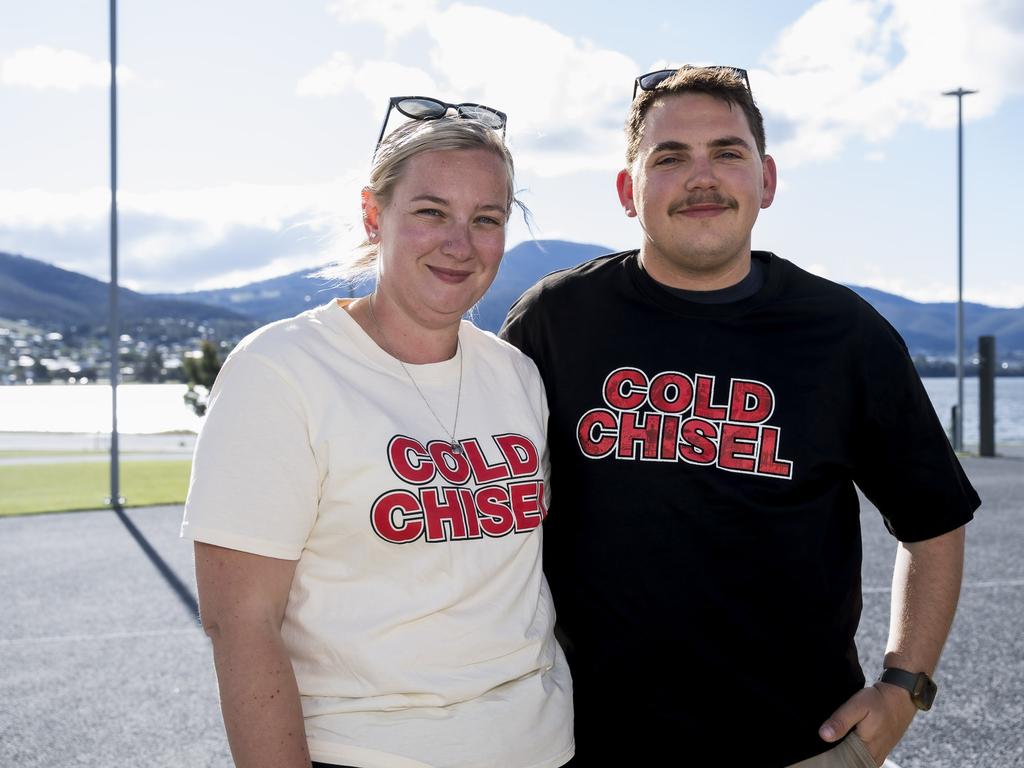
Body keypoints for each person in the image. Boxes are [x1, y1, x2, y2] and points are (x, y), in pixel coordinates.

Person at [501, 66, 979, 767]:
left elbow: (933, 518)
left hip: (802, 742)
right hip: (587, 743)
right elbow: (484, 505)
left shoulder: (843, 332)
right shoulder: (556, 320)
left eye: (727, 152)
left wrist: (904, 686)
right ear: (627, 192)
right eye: (669, 158)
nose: (701, 178)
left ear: (768, 180)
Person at [182, 98, 574, 768]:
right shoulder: (282, 371)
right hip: (366, 751)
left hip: (541, 748)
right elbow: (241, 623)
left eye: (487, 219)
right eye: (430, 212)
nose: (460, 243)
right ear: (373, 215)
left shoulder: (515, 375)